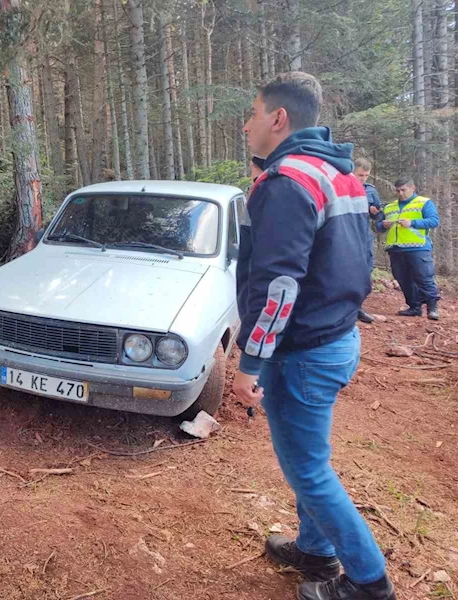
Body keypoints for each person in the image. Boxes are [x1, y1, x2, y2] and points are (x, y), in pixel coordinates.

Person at [235, 72, 396, 600]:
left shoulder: (288, 182)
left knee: (308, 470)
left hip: (303, 351)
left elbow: (278, 286)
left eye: (253, 113)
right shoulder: (337, 174)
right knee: (311, 460)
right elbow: (355, 260)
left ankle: (369, 583)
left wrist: (250, 362)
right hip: (334, 337)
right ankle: (315, 550)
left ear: (278, 118)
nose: (246, 124)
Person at [377, 177, 440, 320]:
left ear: (413, 188)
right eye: (398, 190)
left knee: (424, 277)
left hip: (418, 247)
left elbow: (434, 221)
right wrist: (384, 225)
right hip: (396, 248)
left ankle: (432, 308)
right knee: (403, 279)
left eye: (403, 190)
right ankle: (414, 307)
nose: (400, 193)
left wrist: (412, 222)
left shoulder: (424, 203)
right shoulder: (390, 207)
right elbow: (379, 226)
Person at [353, 158, 383, 324]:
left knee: (366, 269)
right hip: (345, 232)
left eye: (366, 175)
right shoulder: (341, 184)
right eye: (360, 175)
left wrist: (376, 212)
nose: (363, 178)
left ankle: (358, 306)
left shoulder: (371, 191)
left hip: (364, 233)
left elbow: (377, 215)